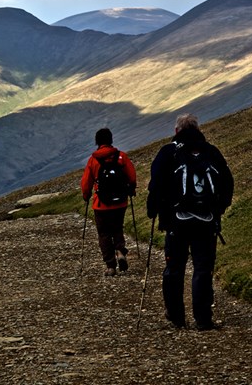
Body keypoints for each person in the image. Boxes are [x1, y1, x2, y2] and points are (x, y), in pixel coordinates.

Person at [146, 113, 234, 330]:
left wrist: (153, 211)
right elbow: (227, 183)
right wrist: (218, 210)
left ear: (176, 131)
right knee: (203, 268)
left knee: (174, 268)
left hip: (176, 223)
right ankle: (203, 319)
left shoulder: (168, 152)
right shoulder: (211, 152)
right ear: (197, 128)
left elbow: (155, 184)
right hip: (206, 222)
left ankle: (177, 318)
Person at [81, 128, 137, 277]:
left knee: (104, 234)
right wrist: (131, 189)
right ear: (111, 140)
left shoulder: (94, 160)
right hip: (120, 203)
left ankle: (110, 266)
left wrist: (86, 195)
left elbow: (86, 182)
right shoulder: (121, 157)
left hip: (101, 205)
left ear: (97, 142)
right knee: (117, 228)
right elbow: (131, 177)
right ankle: (120, 251)